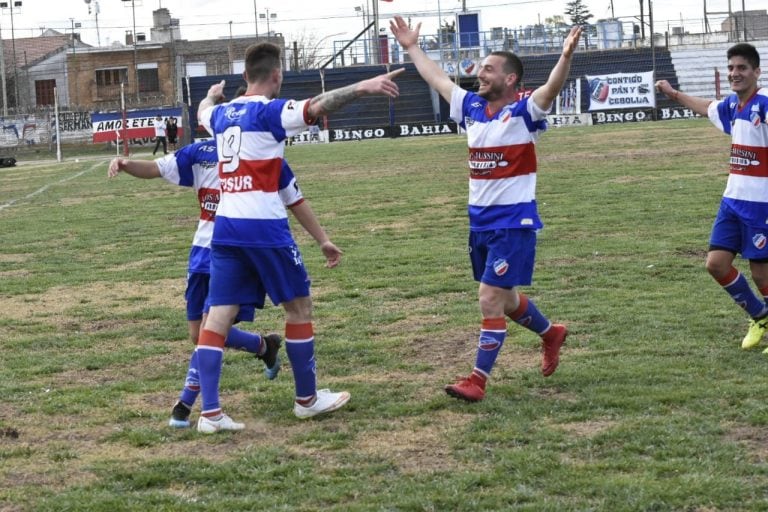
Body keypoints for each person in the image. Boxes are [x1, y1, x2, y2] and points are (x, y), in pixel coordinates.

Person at [194, 41, 402, 431]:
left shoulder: (220, 114)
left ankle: (210, 414)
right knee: (299, 308)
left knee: (218, 315)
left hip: (225, 227)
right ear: (277, 76)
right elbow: (319, 105)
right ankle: (306, 399)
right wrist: (362, 86)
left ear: (244, 76)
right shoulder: (272, 111)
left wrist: (209, 95)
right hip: (263, 228)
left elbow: (203, 110)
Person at [390, 16, 581, 402]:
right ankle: (550, 333)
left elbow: (550, 89)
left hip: (514, 222)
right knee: (505, 299)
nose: (480, 73)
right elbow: (438, 79)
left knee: (489, 297)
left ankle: (476, 381)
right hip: (480, 222)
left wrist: (565, 57)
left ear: (510, 79)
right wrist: (411, 47)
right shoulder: (472, 107)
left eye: (489, 69)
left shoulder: (525, 112)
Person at [107, 141, 342, 430]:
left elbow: (294, 197)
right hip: (201, 252)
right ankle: (263, 346)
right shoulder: (199, 152)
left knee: (212, 325)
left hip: (234, 250)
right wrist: (127, 164)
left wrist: (322, 238)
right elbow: (157, 168)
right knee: (199, 333)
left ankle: (189, 405)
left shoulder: (261, 151)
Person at [656, 43, 768, 351]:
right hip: (732, 200)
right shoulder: (733, 106)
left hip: (762, 205)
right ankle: (760, 316)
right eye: (731, 68)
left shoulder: (764, 104)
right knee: (716, 264)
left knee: (761, 274)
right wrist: (674, 94)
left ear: (756, 72)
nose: (735, 73)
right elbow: (707, 107)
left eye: (742, 68)